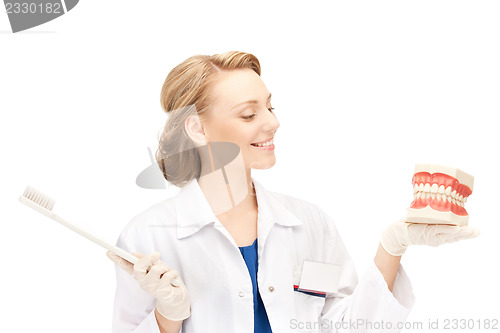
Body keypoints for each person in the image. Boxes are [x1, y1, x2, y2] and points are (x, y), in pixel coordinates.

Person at [106, 51, 479, 333]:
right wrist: (167, 315)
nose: (273, 122)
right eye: (249, 115)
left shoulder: (308, 224)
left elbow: (349, 326)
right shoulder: (148, 236)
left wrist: (392, 247)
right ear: (197, 129)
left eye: (269, 106)